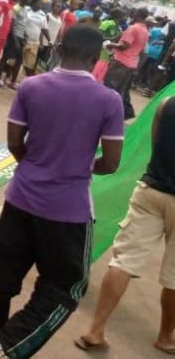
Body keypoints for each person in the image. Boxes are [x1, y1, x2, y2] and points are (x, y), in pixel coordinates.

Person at [0, 24, 124, 359]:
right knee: (65, 287)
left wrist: (35, 165)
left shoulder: (31, 86)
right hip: (68, 210)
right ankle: (5, 346)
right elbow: (110, 163)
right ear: (96, 57)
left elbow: (14, 143)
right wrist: (80, 166)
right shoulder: (109, 101)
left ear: (59, 47)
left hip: (21, 198)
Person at [76, 95, 175, 354]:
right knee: (174, 278)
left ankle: (95, 329)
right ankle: (165, 336)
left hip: (151, 190)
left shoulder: (166, 104)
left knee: (124, 261)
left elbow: (156, 145)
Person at [104, 7, 150, 120]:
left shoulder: (133, 28)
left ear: (137, 14)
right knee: (120, 90)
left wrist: (110, 45)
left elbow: (124, 46)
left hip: (121, 61)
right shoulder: (145, 31)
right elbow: (141, 49)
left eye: (133, 13)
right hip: (131, 63)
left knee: (110, 86)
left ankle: (104, 111)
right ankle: (115, 114)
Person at [19, 0, 49, 78]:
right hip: (23, 40)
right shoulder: (26, 10)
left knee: (30, 64)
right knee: (16, 61)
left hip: (34, 42)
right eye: (39, 3)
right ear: (34, 3)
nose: (41, 5)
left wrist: (49, 40)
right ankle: (9, 78)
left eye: (42, 4)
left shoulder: (42, 14)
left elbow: (44, 29)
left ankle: (27, 79)